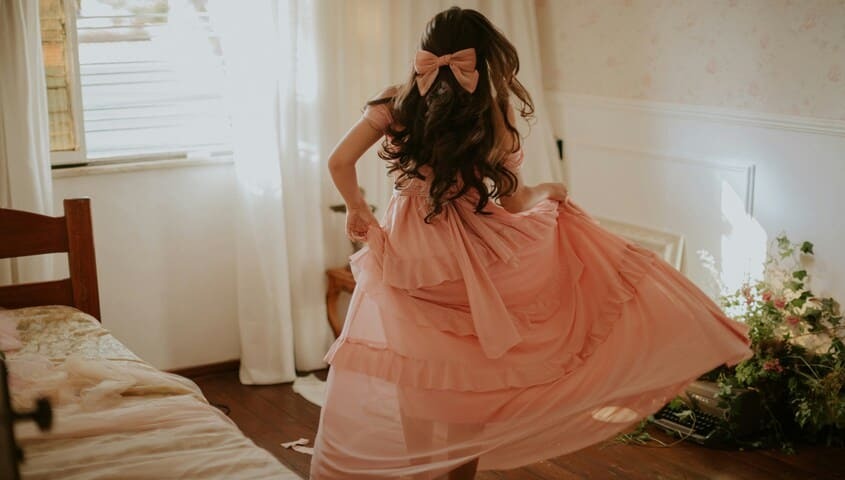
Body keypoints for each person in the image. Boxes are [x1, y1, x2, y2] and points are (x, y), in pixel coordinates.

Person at [311, 7, 751, 480]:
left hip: (411, 254)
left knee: (416, 365)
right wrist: (547, 192)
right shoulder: (492, 111)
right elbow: (516, 199)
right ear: (486, 59)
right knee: (469, 376)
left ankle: (423, 468)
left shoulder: (398, 103)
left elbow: (339, 162)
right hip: (472, 257)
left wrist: (357, 208)